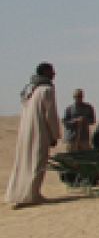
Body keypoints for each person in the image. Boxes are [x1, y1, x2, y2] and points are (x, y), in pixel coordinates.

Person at [6, 63, 62, 208]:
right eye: (51, 71)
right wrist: (54, 135)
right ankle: (31, 195)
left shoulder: (30, 90)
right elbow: (50, 114)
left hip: (26, 132)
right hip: (39, 131)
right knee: (37, 162)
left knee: (24, 162)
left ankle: (19, 194)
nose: (54, 74)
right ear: (45, 72)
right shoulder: (47, 90)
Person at [62, 89, 96, 153]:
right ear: (74, 97)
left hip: (84, 138)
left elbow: (92, 120)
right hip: (72, 138)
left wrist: (85, 120)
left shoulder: (88, 107)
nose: (79, 98)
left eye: (80, 96)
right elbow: (65, 122)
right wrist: (75, 121)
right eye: (77, 97)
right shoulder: (69, 109)